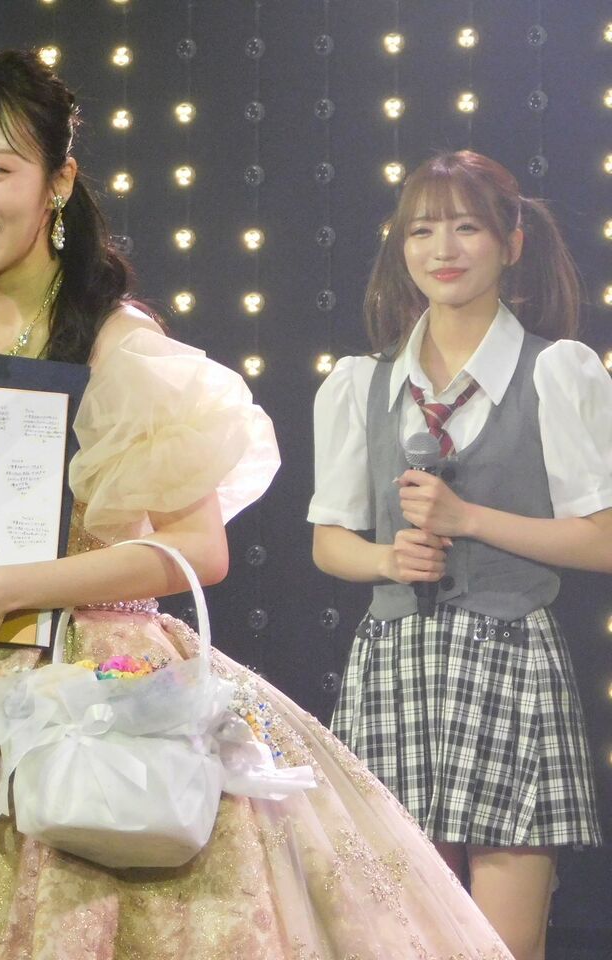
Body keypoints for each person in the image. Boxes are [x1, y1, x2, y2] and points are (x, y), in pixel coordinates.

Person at [0, 52, 511, 959]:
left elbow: (200, 549)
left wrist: (13, 586)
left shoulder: (120, 346)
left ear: (58, 183)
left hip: (98, 688)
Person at [309, 150, 607, 960]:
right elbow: (330, 542)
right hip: (395, 661)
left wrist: (469, 518)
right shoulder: (361, 383)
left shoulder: (557, 370)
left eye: (466, 227)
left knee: (503, 943)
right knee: (396, 935)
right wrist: (386, 561)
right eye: (421, 230)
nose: (442, 248)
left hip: (512, 654)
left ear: (512, 243)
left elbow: (603, 538)